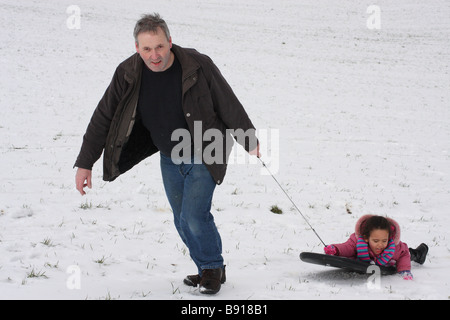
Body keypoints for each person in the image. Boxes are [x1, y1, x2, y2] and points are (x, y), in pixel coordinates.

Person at [74, 13, 260, 294]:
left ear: (170, 41)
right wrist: (85, 162)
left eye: (159, 46)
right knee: (180, 218)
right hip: (168, 155)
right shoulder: (128, 72)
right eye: (147, 48)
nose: (155, 55)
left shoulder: (197, 64)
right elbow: (104, 116)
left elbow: (227, 100)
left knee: (194, 216)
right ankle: (207, 268)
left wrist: (249, 139)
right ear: (137, 48)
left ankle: (211, 267)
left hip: (204, 149)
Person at [323, 215, 428, 280]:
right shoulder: (356, 241)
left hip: (395, 257)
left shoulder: (395, 248)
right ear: (366, 238)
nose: (380, 245)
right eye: (376, 241)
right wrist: (335, 249)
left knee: (409, 255)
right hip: (369, 257)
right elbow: (347, 247)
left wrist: (405, 270)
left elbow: (403, 254)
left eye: (384, 241)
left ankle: (418, 254)